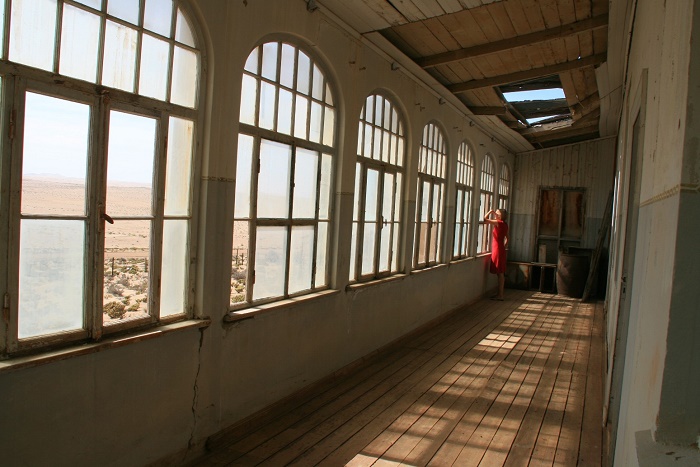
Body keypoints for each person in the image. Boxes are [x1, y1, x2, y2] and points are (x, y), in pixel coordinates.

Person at [484, 208, 509, 300]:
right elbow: (507, 238)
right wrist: (503, 246)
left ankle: (500, 295)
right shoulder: (505, 224)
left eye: (497, 213)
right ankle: (500, 294)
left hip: (497, 249)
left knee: (500, 272)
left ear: (500, 215)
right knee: (500, 272)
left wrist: (490, 211)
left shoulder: (498, 223)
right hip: (500, 248)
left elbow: (485, 219)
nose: (495, 213)